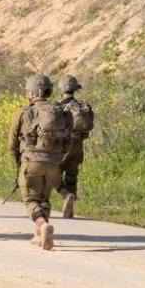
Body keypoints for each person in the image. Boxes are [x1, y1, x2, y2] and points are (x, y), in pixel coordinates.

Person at [8, 75, 72, 251]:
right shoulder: (61, 112)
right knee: (44, 198)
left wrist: (18, 162)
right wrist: (57, 158)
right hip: (54, 163)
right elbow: (68, 142)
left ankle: (41, 224)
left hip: (31, 161)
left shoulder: (23, 112)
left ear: (32, 93)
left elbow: (12, 144)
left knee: (30, 198)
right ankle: (40, 234)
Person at [55, 75, 95, 218]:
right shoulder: (82, 106)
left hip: (63, 146)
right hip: (78, 147)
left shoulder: (57, 106)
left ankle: (66, 195)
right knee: (72, 175)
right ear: (75, 90)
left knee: (53, 174)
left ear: (61, 89)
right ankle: (70, 209)